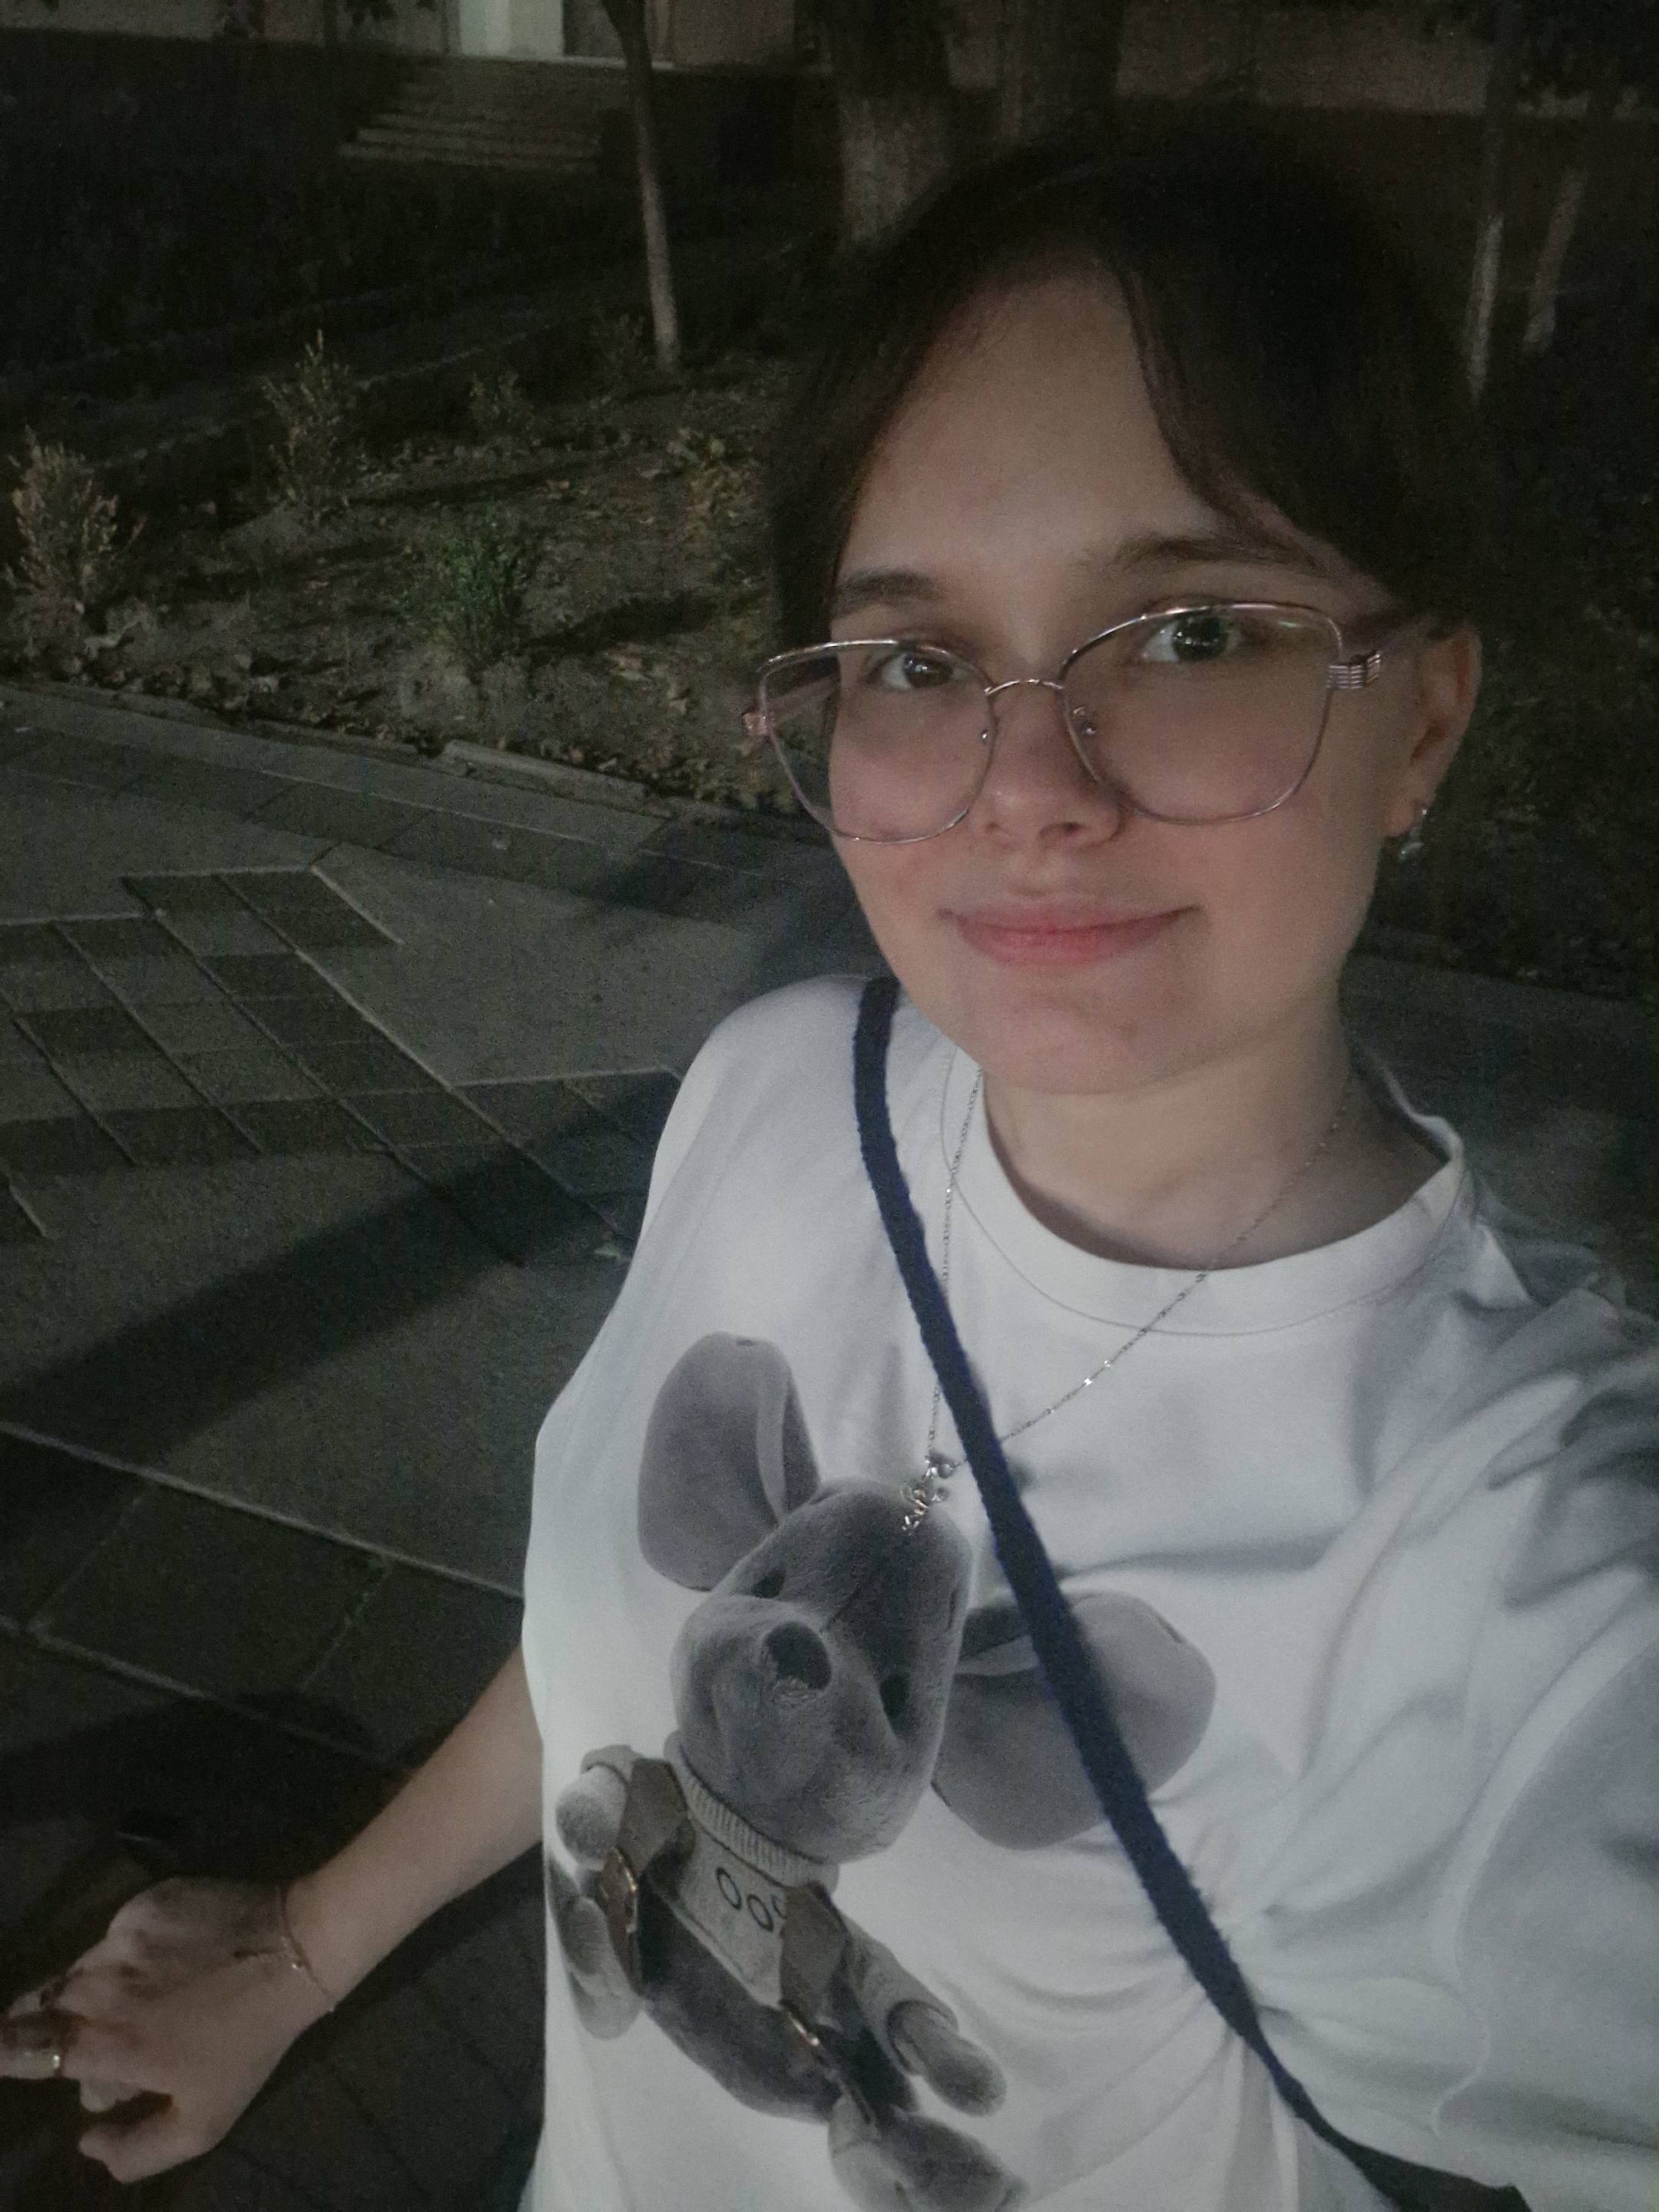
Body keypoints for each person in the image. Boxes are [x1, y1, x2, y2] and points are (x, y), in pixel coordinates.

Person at [4, 134, 1656, 2212]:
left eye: (1188, 635)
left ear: (1423, 717)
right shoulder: (790, 1091)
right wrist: (305, 1949)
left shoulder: (1512, 1573)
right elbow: (624, 1641)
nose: (1029, 791)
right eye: (918, 664)